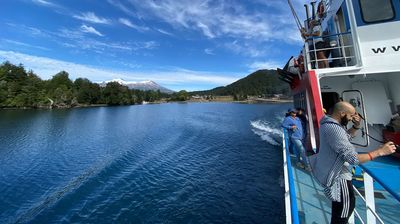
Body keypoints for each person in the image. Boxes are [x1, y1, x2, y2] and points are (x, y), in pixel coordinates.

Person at [309, 102, 396, 224]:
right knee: (342, 214)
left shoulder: (328, 124)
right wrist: (380, 152)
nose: (351, 118)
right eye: (350, 116)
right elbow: (353, 159)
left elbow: (345, 138)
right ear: (342, 113)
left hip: (338, 175)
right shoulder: (335, 129)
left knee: (343, 209)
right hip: (340, 178)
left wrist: (356, 126)